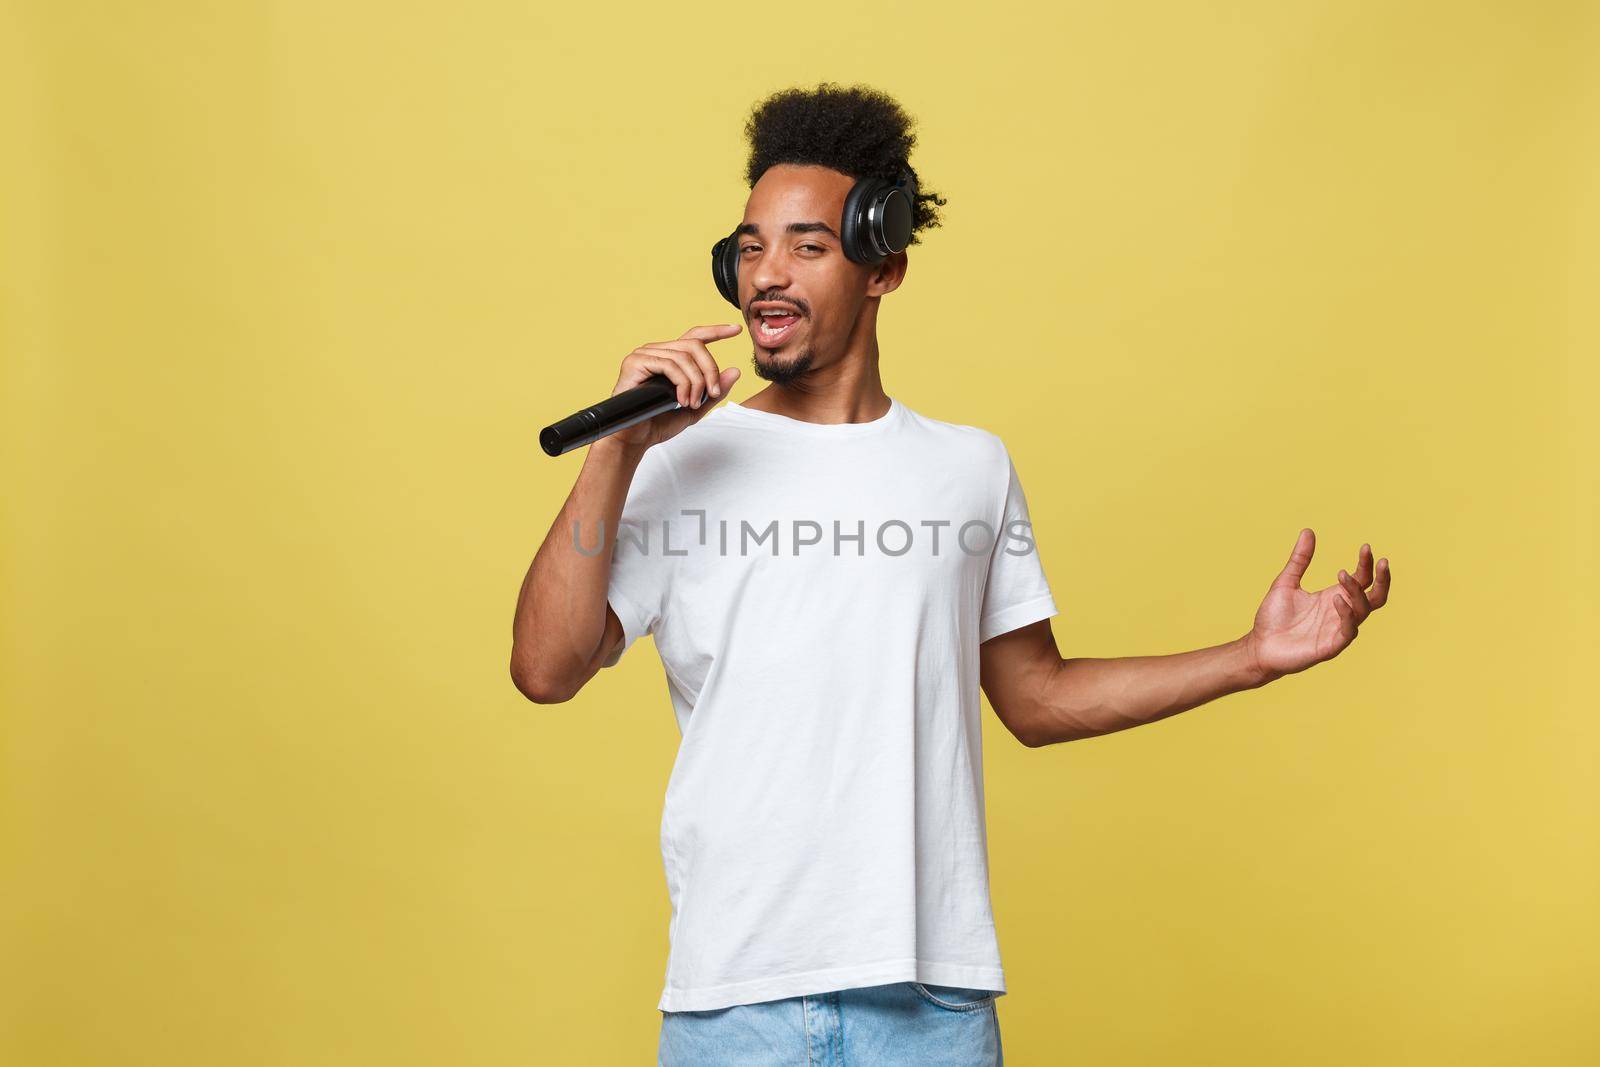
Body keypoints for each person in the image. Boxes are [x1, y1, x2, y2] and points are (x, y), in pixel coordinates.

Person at [509, 82, 1392, 1067]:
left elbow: (1035, 695)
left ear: (883, 263)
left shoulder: (967, 467)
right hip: (734, 1006)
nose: (767, 272)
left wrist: (1251, 656)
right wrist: (616, 450)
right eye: (751, 245)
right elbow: (546, 666)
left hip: (929, 1008)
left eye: (806, 244)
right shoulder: (674, 463)